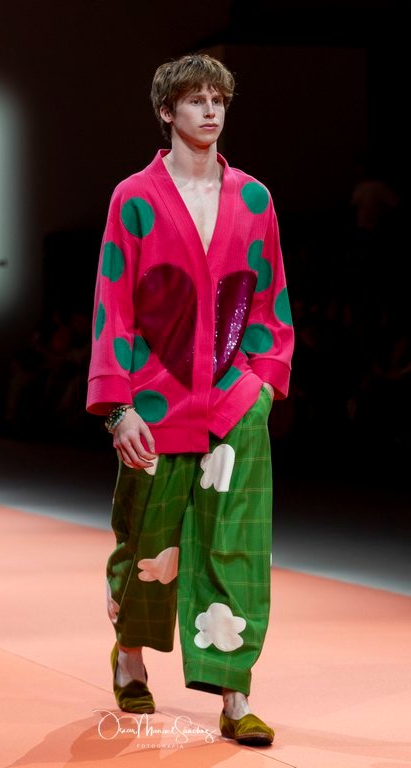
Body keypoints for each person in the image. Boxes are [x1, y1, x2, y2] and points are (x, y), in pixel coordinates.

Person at [87, 53, 293, 747]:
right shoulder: (134, 198)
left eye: (218, 100)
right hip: (154, 400)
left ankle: (236, 696)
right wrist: (118, 408)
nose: (210, 110)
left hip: (234, 402)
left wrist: (263, 385)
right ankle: (130, 659)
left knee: (237, 544)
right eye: (196, 99)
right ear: (166, 111)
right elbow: (113, 303)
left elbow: (269, 295)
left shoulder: (255, 199)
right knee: (146, 541)